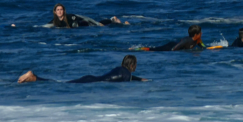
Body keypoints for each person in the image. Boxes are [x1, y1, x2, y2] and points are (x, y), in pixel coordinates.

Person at [18, 55, 147, 83]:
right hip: (91, 81)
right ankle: (34, 77)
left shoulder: (120, 69)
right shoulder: (127, 75)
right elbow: (128, 79)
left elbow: (127, 76)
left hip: (90, 78)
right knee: (60, 84)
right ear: (132, 65)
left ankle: (34, 78)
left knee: (62, 83)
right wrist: (139, 80)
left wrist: (140, 78)